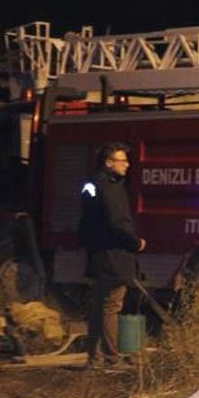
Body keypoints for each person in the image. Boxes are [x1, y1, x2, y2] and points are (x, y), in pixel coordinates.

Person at [78, 142, 145, 368]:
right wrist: (136, 243)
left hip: (97, 256)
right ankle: (111, 358)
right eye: (122, 160)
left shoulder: (92, 185)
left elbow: (85, 224)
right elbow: (118, 223)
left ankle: (93, 358)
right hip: (114, 257)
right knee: (111, 307)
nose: (127, 165)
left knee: (98, 307)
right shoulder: (111, 188)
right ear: (109, 163)